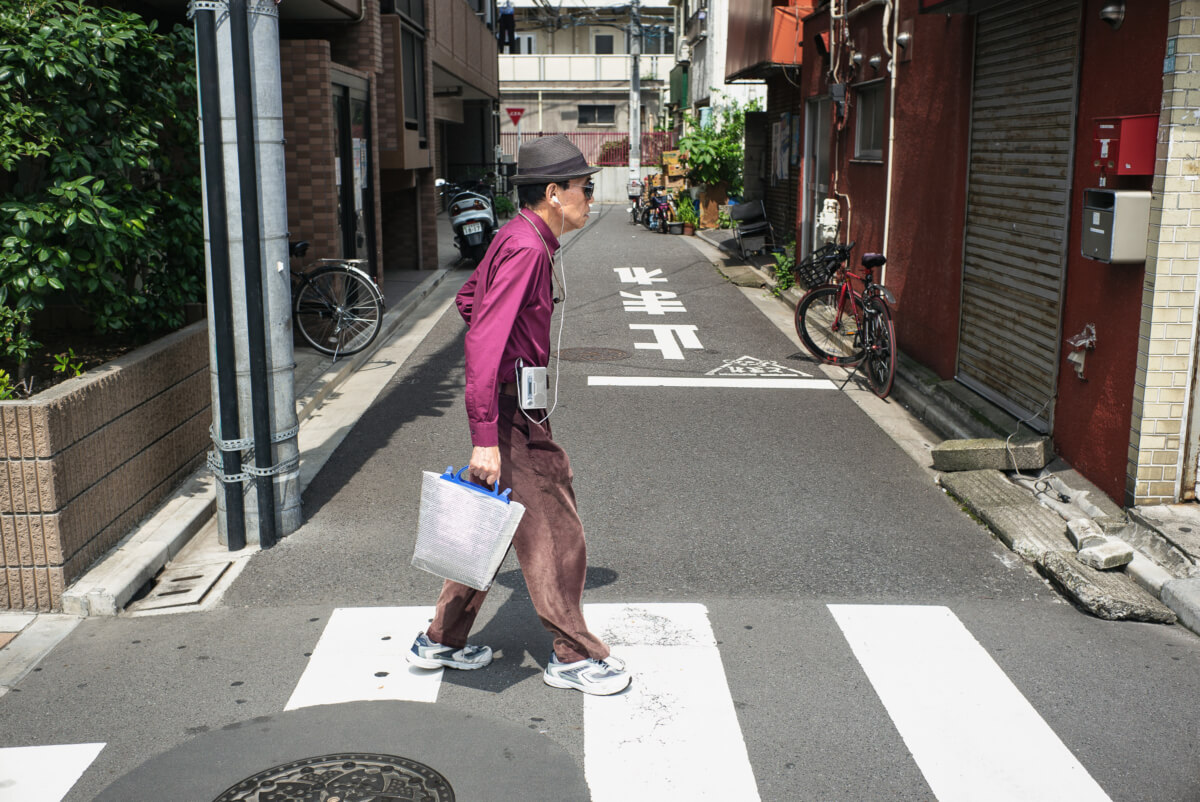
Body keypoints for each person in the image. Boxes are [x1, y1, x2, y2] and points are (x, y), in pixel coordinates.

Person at [408, 136, 631, 697]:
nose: (590, 196)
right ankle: (574, 655)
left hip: (515, 405)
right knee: (556, 528)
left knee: (491, 522)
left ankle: (440, 639)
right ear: (554, 194)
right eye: (585, 187)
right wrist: (485, 434)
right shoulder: (529, 248)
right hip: (512, 414)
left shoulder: (518, 237)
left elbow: (470, 300)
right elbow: (482, 336)